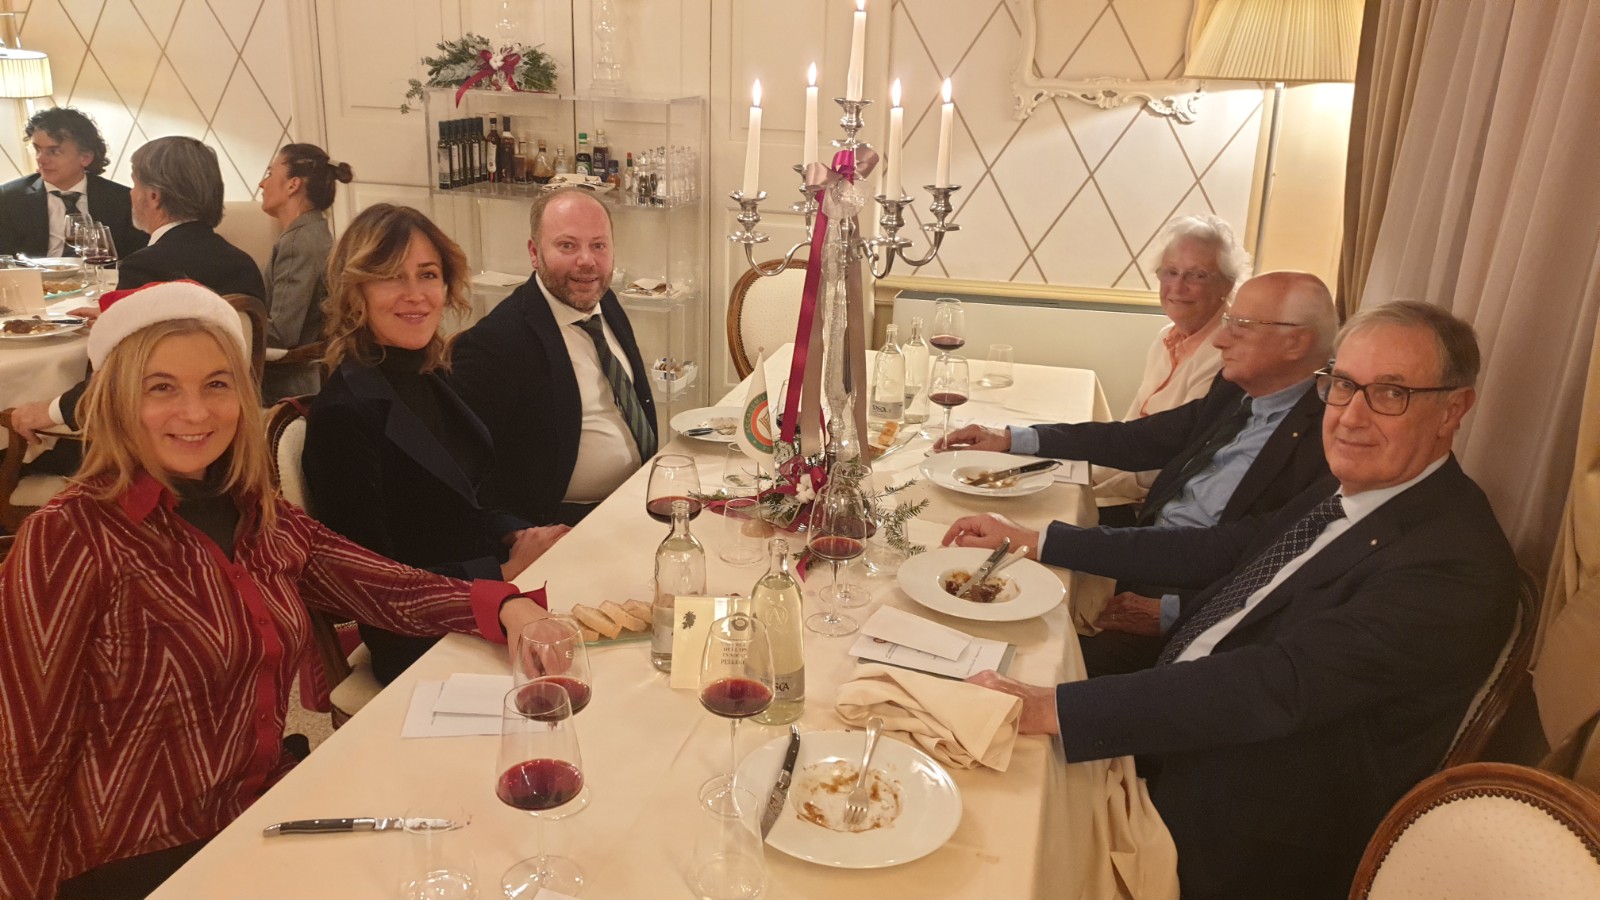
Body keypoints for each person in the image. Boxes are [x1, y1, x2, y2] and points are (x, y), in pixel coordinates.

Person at [944, 301, 1519, 899]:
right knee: (966, 679)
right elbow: (1223, 548)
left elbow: (1277, 683)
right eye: (1344, 385)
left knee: (980, 832)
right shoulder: (1357, 488)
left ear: (1453, 409)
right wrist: (1041, 540)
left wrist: (1057, 709)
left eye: (1391, 393)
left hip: (1238, 820)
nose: (1351, 417)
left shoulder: (1453, 566)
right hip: (1185, 722)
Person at [0, 281, 553, 900]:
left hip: (264, 814)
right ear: (116, 397)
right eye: (162, 388)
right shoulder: (69, 539)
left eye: (217, 384)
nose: (196, 413)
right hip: (141, 861)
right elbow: (23, 753)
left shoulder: (253, 510)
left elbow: (378, 584)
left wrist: (504, 606)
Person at [937, 272, 1336, 667]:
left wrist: (1174, 612)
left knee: (1018, 651)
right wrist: (1013, 438)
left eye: (1241, 326)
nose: (1219, 339)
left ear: (1296, 342)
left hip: (1197, 597)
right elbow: (1141, 439)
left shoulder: (1330, 439)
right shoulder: (1238, 388)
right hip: (1150, 546)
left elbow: (1266, 558)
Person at [304, 204, 568, 684]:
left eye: (428, 274)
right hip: (420, 641)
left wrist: (521, 535)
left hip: (489, 601)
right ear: (355, 290)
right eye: (391, 276)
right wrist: (501, 572)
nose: (415, 294)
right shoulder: (343, 414)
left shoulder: (428, 374)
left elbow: (465, 502)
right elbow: (371, 585)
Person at [6, 135, 267, 450]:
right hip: (227, 431)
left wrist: (46, 411)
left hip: (148, 444)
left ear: (153, 197)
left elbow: (112, 383)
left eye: (135, 185)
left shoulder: (146, 267)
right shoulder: (242, 262)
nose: (131, 194)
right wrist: (122, 317)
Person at [450, 187, 658, 526]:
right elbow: (466, 474)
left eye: (599, 245)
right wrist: (513, 533)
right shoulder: (495, 343)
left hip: (639, 496)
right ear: (535, 253)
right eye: (567, 245)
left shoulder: (604, 301)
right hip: (565, 523)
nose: (587, 261)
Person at [1094, 214, 1252, 518]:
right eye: (1170, 272)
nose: (1177, 287)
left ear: (1227, 284)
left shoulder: (1226, 356)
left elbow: (1178, 458)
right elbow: (1133, 427)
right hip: (1125, 486)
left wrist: (1094, 482)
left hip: (1157, 508)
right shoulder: (1165, 338)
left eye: (1197, 275)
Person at [257, 142, 353, 401]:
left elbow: (282, 334)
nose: (262, 184)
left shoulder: (298, 242)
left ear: (293, 185)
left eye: (270, 174)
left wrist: (230, 324)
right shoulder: (314, 232)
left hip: (286, 391)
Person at [0, 106, 147, 259]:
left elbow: (136, 258)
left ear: (85, 158)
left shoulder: (121, 199)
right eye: (37, 150)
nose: (41, 159)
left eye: (54, 151)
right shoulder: (9, 198)